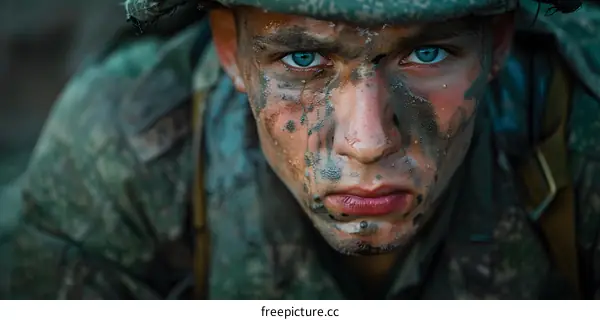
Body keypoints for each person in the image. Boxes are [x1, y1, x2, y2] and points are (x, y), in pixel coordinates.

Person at [1, 0, 599, 299]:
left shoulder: (582, 133)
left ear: (498, 43)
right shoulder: (124, 150)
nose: (367, 142)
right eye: (304, 59)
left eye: (428, 54)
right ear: (230, 51)